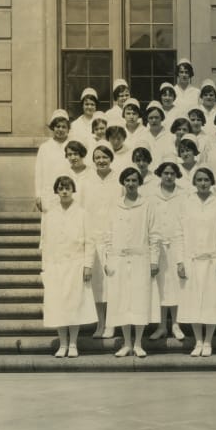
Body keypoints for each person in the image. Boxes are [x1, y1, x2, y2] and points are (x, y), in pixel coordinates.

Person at [103, 167, 162, 358]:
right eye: (127, 180)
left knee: (139, 301)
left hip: (140, 260)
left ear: (139, 182)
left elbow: (154, 234)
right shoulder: (115, 205)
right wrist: (108, 259)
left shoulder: (147, 205)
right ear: (123, 182)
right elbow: (108, 234)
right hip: (119, 260)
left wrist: (154, 260)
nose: (130, 184)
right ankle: (126, 343)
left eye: (134, 180)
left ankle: (138, 343)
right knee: (122, 302)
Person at [39, 175, 96, 358]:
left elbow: (90, 241)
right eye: (61, 188)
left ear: (73, 190)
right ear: (56, 191)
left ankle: (73, 344)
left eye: (68, 188)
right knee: (58, 306)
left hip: (75, 265)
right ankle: (62, 344)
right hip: (55, 266)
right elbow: (45, 242)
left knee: (74, 304)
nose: (64, 191)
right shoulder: (50, 215)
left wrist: (88, 265)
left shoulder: (82, 213)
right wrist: (45, 267)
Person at [176, 167, 216, 357]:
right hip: (191, 260)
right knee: (193, 303)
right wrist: (179, 261)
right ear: (194, 182)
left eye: (206, 180)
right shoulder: (186, 203)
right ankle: (198, 341)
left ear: (212, 182)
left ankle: (208, 341)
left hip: (212, 261)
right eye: (199, 180)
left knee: (211, 302)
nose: (203, 183)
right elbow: (179, 234)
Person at [81, 145, 117, 339]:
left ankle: (111, 323)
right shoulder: (86, 182)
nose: (101, 160)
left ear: (111, 158)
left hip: (114, 239)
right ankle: (100, 323)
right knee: (97, 285)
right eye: (97, 157)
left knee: (112, 284)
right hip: (93, 239)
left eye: (105, 157)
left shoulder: (118, 181)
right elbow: (82, 210)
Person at [148, 161, 186, 343]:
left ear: (176, 175)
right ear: (160, 174)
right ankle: (162, 325)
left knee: (176, 285)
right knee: (160, 287)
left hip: (178, 245)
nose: (169, 176)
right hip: (158, 247)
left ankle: (176, 324)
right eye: (165, 173)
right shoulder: (151, 195)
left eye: (172, 173)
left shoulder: (183, 195)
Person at [35, 110, 73, 212]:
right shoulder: (45, 147)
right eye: (57, 126)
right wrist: (38, 195)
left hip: (69, 192)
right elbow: (39, 173)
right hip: (49, 193)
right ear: (53, 127)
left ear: (68, 129)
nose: (60, 129)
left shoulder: (73, 146)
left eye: (64, 127)